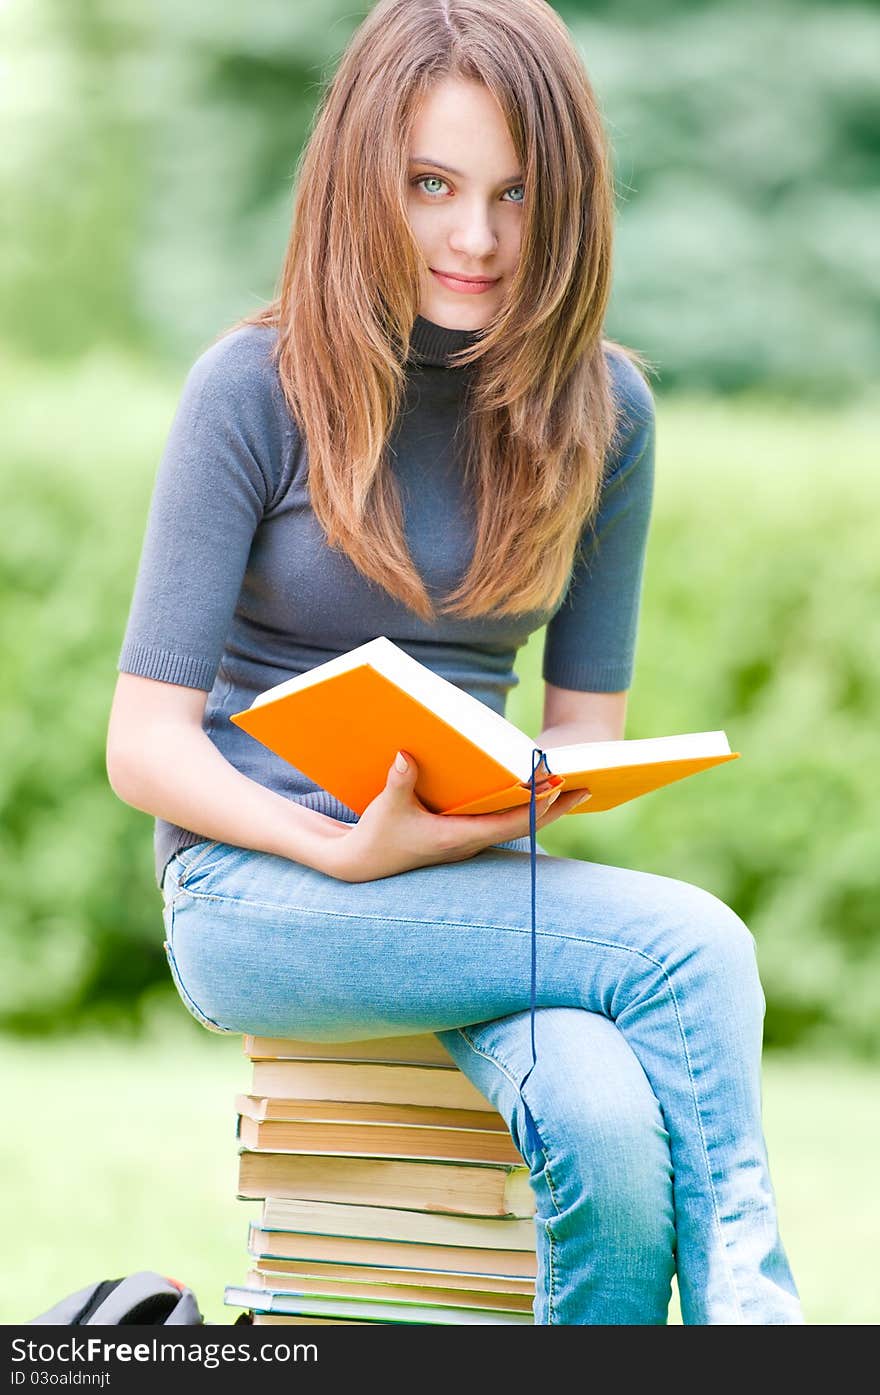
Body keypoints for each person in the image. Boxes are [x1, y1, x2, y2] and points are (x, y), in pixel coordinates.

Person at [106, 0, 803, 1325]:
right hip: (256, 893)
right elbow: (144, 744)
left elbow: (583, 729)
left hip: (467, 886)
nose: (475, 238)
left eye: (515, 194)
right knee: (692, 946)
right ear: (366, 179)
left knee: (602, 1119)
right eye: (433, 185)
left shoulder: (607, 415)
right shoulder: (251, 390)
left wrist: (536, 792)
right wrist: (336, 850)